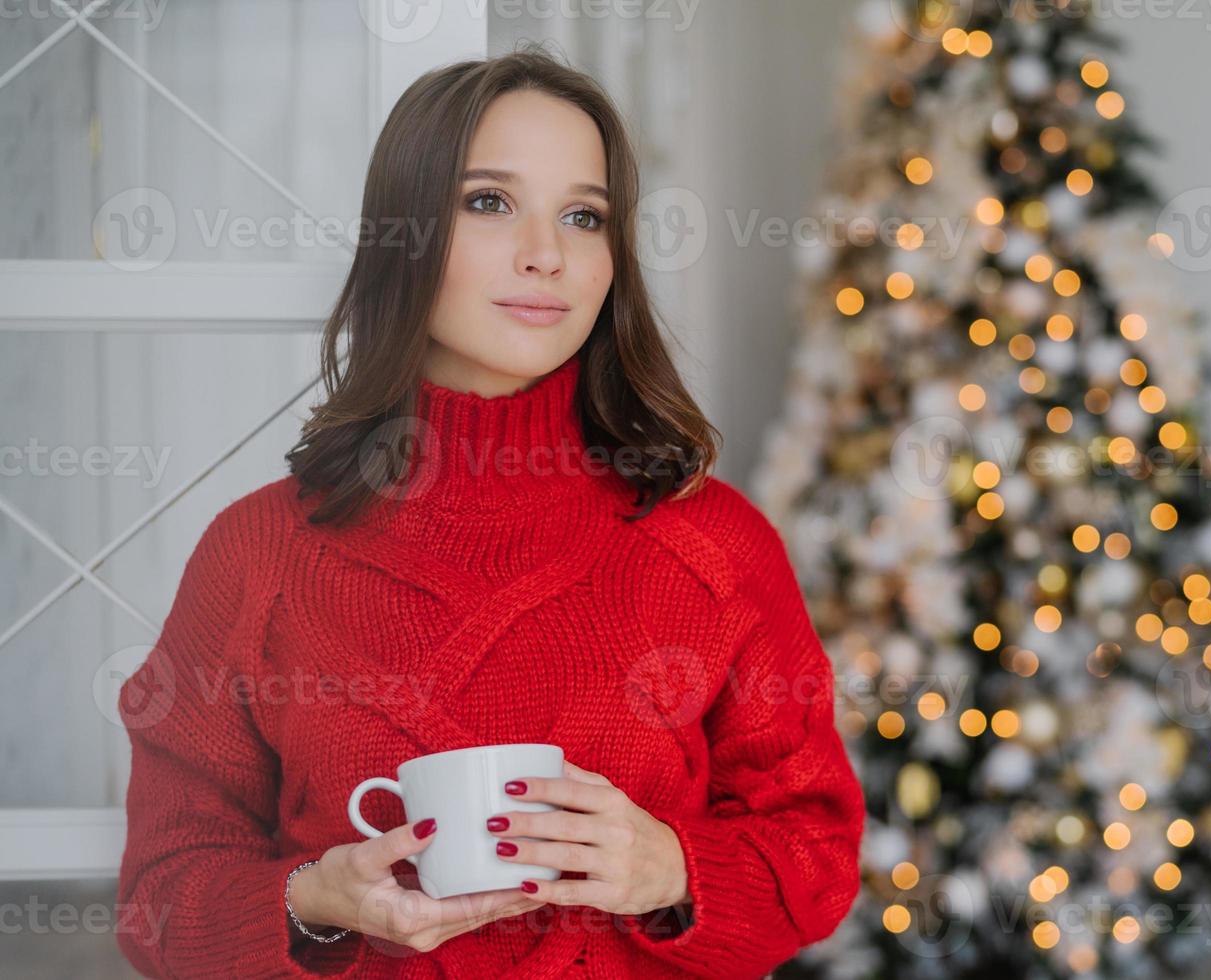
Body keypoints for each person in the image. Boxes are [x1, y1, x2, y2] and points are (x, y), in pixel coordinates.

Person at [113, 45, 865, 979]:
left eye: (583, 216)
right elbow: (158, 898)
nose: (546, 254)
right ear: (404, 233)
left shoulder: (714, 542)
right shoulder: (260, 551)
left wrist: (667, 869)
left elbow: (819, 856)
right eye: (489, 202)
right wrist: (314, 899)